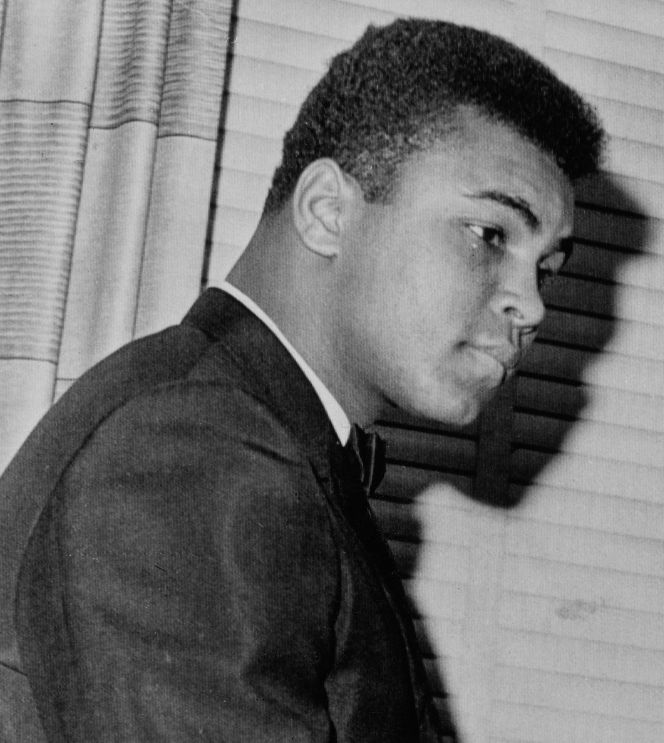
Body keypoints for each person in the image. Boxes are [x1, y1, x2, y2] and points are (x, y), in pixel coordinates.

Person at [0, 17, 603, 743]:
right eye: (490, 235)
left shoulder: (252, 432)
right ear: (326, 212)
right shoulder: (199, 449)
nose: (532, 306)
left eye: (546, 268)